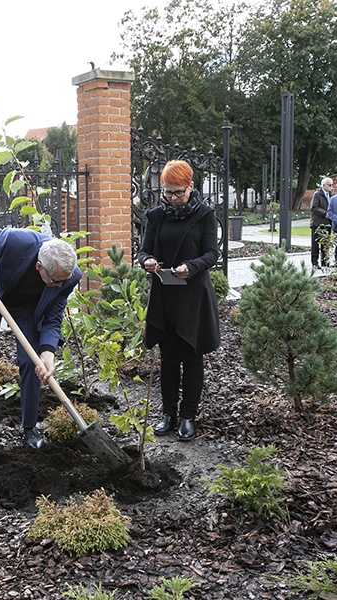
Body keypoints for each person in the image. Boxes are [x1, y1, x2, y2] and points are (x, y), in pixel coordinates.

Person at [0, 228, 81, 451]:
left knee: (34, 364)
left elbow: (53, 316)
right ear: (39, 267)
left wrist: (48, 352)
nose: (61, 285)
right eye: (56, 281)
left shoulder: (69, 276)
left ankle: (30, 428)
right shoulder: (14, 241)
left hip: (26, 307)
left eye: (64, 280)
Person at [137, 160, 221, 442]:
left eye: (178, 193)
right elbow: (144, 250)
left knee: (191, 358)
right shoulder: (156, 216)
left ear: (191, 187)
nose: (172, 199)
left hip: (192, 296)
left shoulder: (205, 215)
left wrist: (191, 266)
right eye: (167, 193)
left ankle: (187, 417)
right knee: (168, 359)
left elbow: (212, 254)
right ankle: (168, 414)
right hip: (164, 294)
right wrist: (147, 260)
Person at [310, 177, 333, 270]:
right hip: (317, 223)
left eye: (332, 185)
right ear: (323, 185)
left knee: (326, 243)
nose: (331, 187)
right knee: (316, 243)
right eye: (329, 185)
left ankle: (325, 261)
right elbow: (314, 207)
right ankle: (315, 262)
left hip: (327, 223)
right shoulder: (317, 194)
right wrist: (325, 214)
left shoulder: (331, 195)